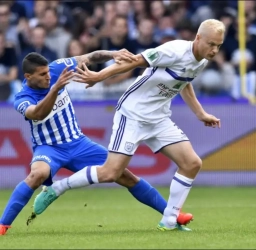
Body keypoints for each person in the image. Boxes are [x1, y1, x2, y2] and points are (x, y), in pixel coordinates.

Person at [33, 19, 224, 231]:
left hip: (158, 118)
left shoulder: (201, 60)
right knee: (110, 173)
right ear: (198, 38)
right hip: (132, 113)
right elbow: (134, 61)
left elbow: (184, 83)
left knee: (192, 163)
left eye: (219, 46)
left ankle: (169, 221)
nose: (215, 50)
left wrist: (201, 113)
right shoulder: (174, 50)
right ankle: (57, 188)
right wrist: (99, 76)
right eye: (211, 44)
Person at [0, 50, 193, 235]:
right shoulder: (22, 97)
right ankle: (3, 225)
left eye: (48, 72)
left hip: (79, 144)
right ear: (28, 76)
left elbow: (90, 57)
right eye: (42, 75)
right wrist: (56, 88)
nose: (48, 77)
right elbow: (38, 113)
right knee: (37, 175)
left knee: (126, 176)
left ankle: (172, 215)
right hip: (49, 148)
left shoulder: (57, 68)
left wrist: (113, 54)